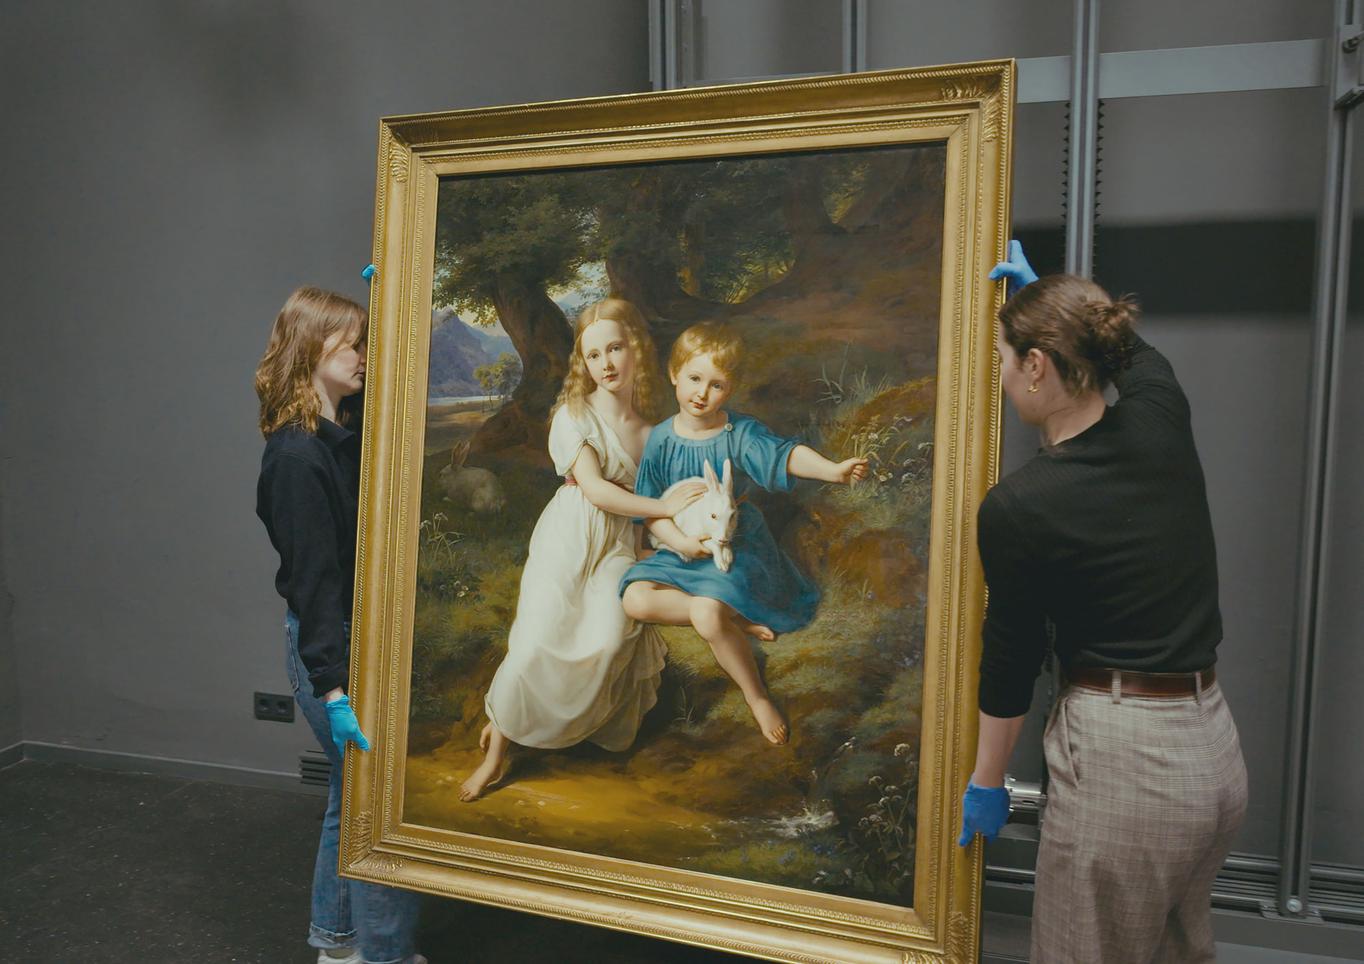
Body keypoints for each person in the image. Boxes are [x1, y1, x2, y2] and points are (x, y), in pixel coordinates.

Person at [958, 243, 1247, 963]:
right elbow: (1138, 355)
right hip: (1213, 750)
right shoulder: (1160, 415)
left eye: (1005, 359)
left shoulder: (1021, 505)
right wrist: (1067, 306)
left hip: (1128, 769)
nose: (1002, 377)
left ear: (1036, 365)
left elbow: (1012, 656)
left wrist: (987, 781)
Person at [458, 298, 707, 802]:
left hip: (616, 546)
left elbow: (643, 513)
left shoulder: (651, 433)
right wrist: (662, 505)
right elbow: (594, 489)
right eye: (594, 355)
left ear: (635, 349)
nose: (606, 364)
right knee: (534, 645)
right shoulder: (573, 415)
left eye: (615, 349)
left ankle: (540, 724)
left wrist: (666, 537)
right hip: (568, 539)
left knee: (608, 641)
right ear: (583, 363)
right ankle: (496, 751)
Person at [255, 286, 425, 964]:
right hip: (332, 651)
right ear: (312, 347)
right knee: (381, 809)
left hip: (344, 643)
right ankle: (383, 955)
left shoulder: (334, 433)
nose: (364, 356)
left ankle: (336, 945)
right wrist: (334, 688)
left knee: (348, 796)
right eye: (353, 343)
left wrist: (400, 291)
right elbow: (316, 584)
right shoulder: (298, 457)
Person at [620, 323, 869, 745]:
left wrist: (833, 471)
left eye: (716, 385)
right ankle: (734, 616)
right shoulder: (660, 438)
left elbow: (783, 456)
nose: (702, 393)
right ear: (674, 374)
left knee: (704, 614)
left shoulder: (739, 433)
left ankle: (756, 696)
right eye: (694, 378)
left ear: (730, 389)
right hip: (684, 547)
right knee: (634, 599)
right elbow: (651, 510)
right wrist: (681, 543)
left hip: (735, 546)